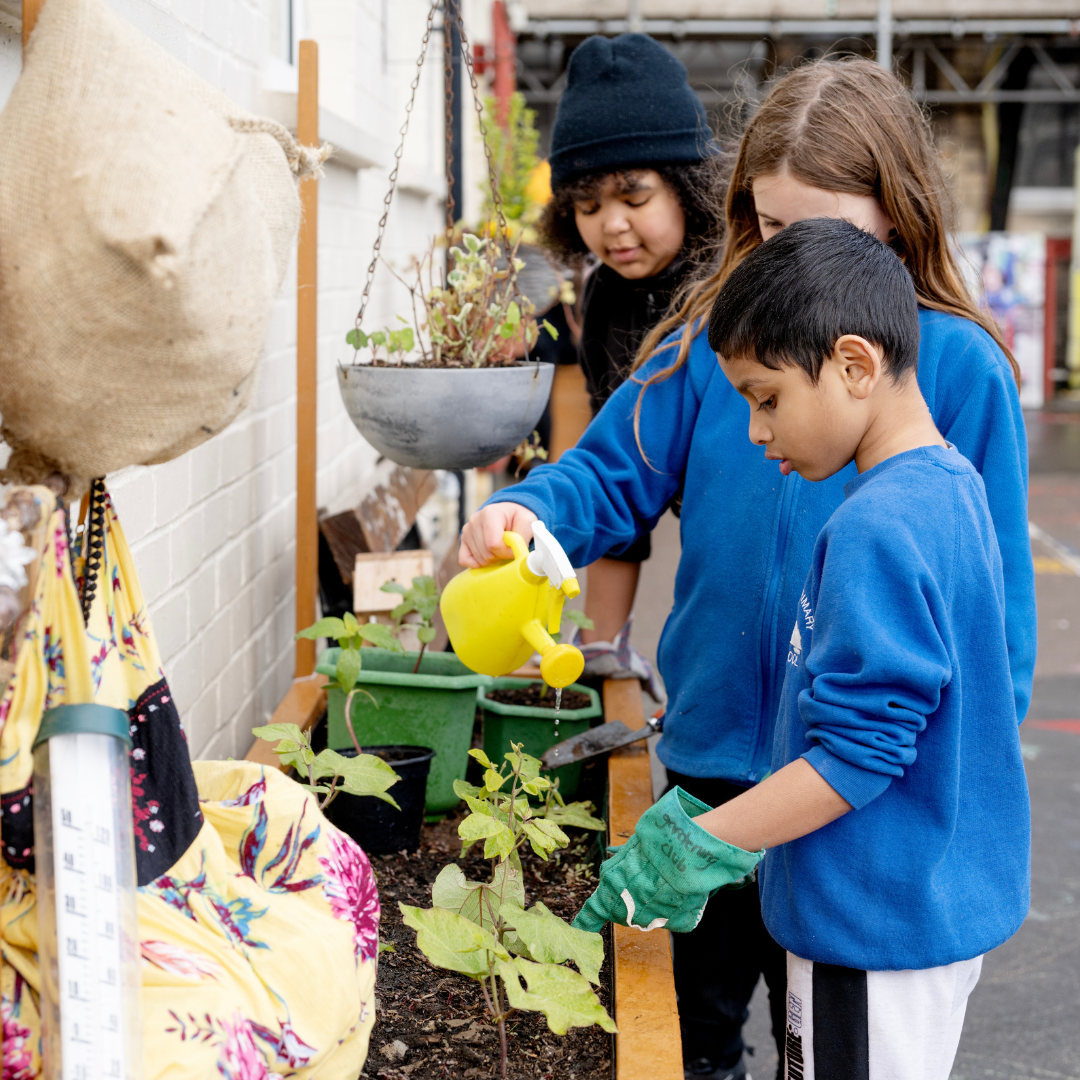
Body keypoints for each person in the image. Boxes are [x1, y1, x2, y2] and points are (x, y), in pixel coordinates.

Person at [459, 57, 1036, 1080]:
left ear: (896, 219)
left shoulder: (960, 371)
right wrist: (522, 513)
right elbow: (605, 476)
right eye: (767, 228)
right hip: (719, 762)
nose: (786, 258)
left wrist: (932, 798)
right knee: (698, 1043)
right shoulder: (712, 346)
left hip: (863, 808)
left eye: (823, 231)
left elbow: (997, 641)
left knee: (834, 1041)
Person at [572, 216, 1031, 1080]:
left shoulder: (876, 528)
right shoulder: (949, 488)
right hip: (912, 914)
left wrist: (702, 843)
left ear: (855, 366)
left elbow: (860, 754)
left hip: (869, 931)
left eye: (766, 397)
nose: (753, 430)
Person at [537, 32, 722, 683]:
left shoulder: (741, 283)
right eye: (587, 206)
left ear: (687, 184)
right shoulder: (605, 306)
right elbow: (619, 488)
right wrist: (601, 649)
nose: (610, 224)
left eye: (634, 197)